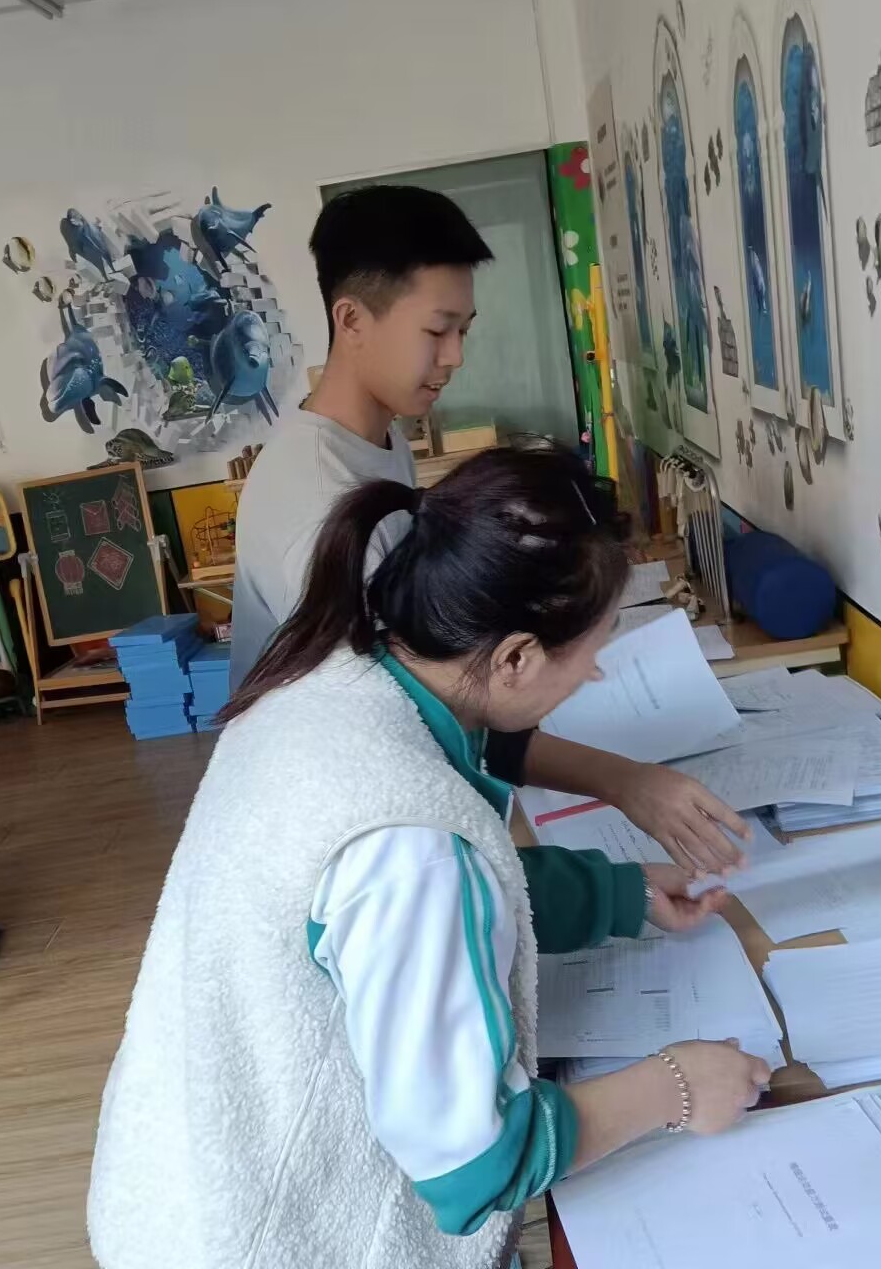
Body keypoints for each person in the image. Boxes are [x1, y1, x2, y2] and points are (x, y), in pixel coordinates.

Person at [88, 445, 771, 1269]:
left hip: (179, 1171)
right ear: (515, 658)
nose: (593, 674)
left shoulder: (337, 673)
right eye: (592, 652)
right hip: (262, 1235)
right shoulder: (412, 845)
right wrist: (679, 1087)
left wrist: (616, 894)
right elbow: (476, 1167)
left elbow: (425, 906)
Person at [229, 183, 746, 875]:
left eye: (464, 331)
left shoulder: (378, 441)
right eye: (436, 331)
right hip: (330, 839)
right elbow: (413, 715)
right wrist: (624, 784)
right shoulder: (318, 496)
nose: (455, 357)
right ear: (351, 320)